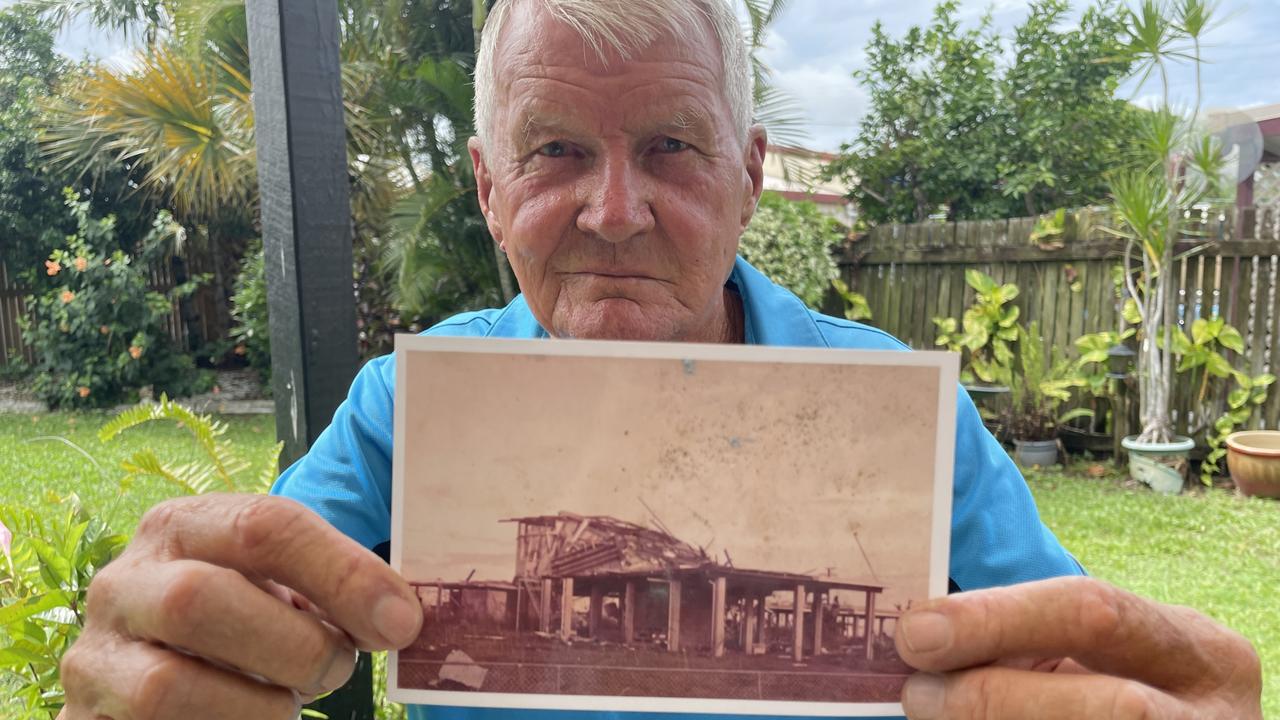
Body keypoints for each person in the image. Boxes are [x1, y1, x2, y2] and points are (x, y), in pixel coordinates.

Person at [58, 1, 1263, 718]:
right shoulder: (405, 403)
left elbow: (1061, 662)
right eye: (554, 152)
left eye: (672, 147)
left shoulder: (896, 407)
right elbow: (245, 614)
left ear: (746, 180)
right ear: (487, 189)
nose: (615, 210)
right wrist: (168, 643)